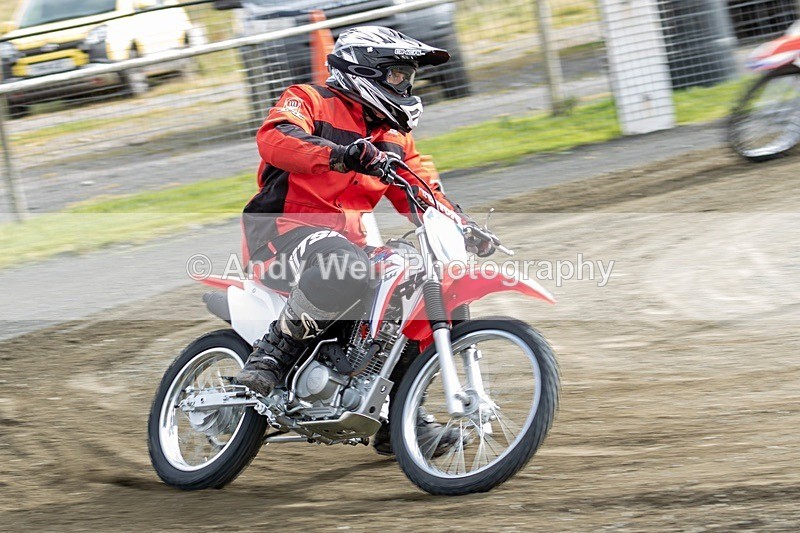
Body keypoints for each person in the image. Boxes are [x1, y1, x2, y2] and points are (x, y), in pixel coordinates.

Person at [236, 26, 492, 455]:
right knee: (347, 265)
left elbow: (421, 192)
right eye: (396, 76)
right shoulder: (310, 100)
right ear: (364, 71)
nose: (405, 86)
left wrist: (462, 226)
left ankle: (402, 417)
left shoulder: (394, 139)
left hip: (345, 242)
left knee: (416, 285)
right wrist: (340, 153)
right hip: (282, 231)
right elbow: (275, 139)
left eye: (408, 78)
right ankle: (271, 355)